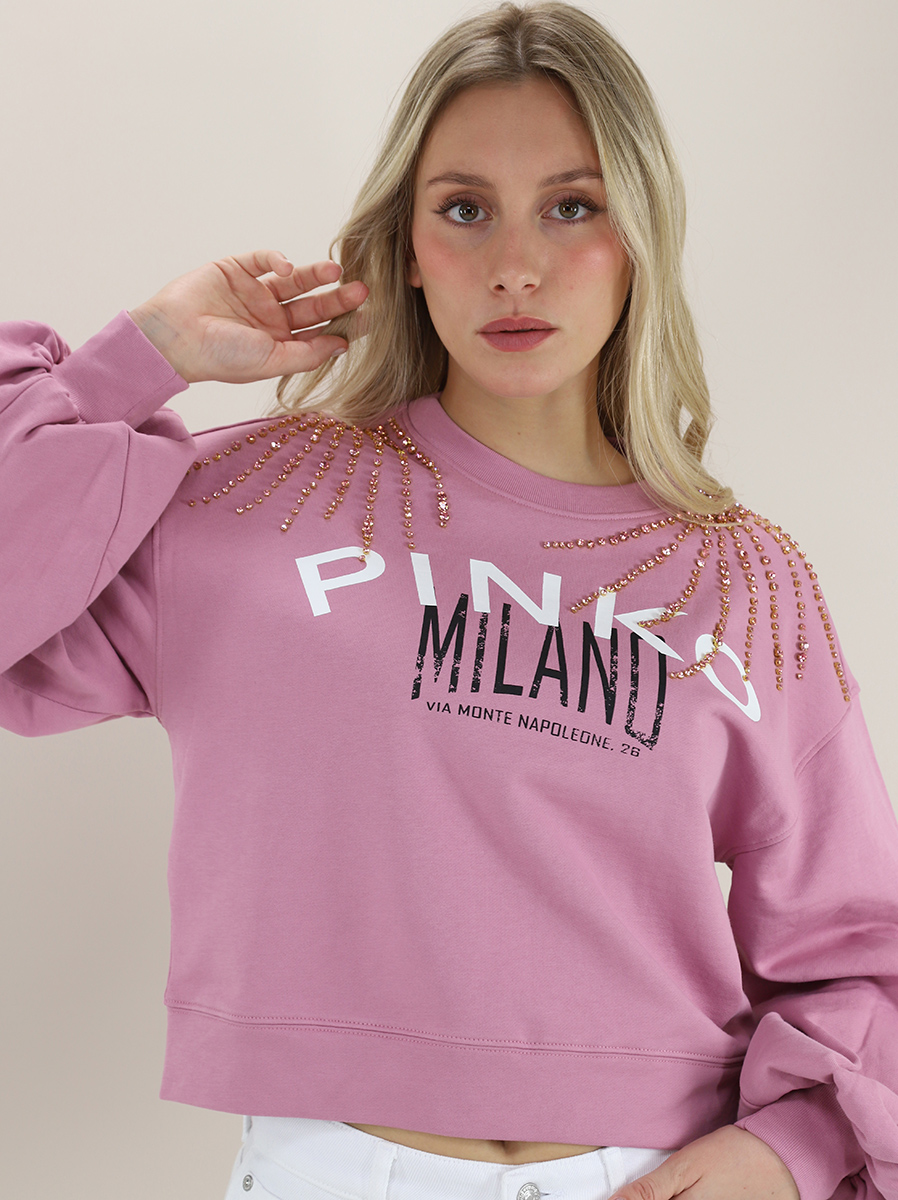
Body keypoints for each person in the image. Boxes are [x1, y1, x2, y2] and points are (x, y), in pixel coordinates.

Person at [2, 2, 897, 1198]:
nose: (515, 265)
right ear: (407, 246)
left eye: (571, 207)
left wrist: (791, 1150)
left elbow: (857, 945)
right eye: (464, 209)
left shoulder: (745, 584)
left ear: (640, 235)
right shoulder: (254, 502)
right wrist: (145, 351)